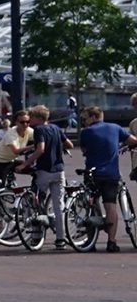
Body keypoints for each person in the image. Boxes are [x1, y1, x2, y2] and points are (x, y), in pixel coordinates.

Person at [77, 104, 127, 251]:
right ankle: (111, 242)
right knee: (111, 205)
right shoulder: (116, 128)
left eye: (85, 119)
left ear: (93, 117)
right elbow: (132, 140)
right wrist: (121, 145)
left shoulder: (86, 132)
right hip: (111, 174)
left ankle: (91, 241)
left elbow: (84, 150)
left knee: (91, 204)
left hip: (92, 173)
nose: (84, 122)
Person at [25, 104, 69, 249]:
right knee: (58, 205)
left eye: (31, 117)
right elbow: (68, 144)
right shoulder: (56, 128)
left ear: (38, 118)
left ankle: (36, 236)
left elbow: (40, 149)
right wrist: (58, 148)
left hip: (44, 170)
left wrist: (26, 163)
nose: (29, 120)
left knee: (35, 201)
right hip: (59, 170)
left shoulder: (39, 130)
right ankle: (61, 239)